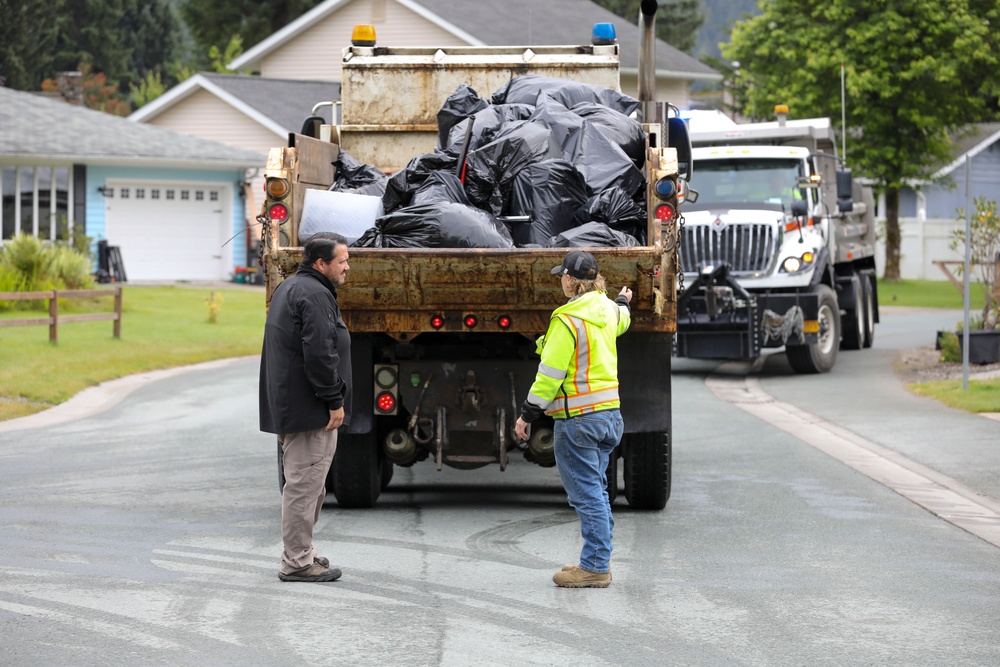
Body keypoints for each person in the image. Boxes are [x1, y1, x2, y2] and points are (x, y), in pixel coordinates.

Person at [515, 250, 632, 588]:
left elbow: (549, 375)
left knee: (587, 494)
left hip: (578, 420)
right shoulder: (607, 309)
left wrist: (527, 414)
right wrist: (624, 301)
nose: (561, 281)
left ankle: (595, 566)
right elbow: (622, 320)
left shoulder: (566, 320)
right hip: (609, 417)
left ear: (569, 279)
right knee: (597, 489)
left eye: (561, 276)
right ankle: (595, 559)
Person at [259, 232, 352, 583]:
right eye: (341, 261)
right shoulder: (313, 294)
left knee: (310, 484)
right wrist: (334, 400)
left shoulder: (293, 287)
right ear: (321, 263)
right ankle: (296, 562)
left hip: (297, 404)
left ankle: (303, 552)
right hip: (310, 407)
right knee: (303, 485)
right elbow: (319, 353)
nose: (346, 267)